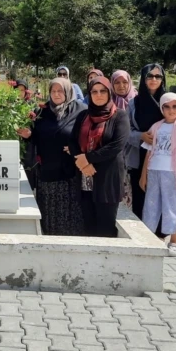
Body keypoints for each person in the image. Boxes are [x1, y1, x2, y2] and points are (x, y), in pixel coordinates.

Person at [127, 64, 176, 223]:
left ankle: (162, 234)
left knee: (166, 198)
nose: (153, 79)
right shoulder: (134, 103)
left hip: (166, 158)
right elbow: (125, 130)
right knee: (141, 193)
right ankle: (142, 233)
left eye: (158, 76)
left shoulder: (169, 99)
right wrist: (140, 136)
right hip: (141, 154)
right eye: (149, 76)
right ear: (143, 78)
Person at [17, 78, 86, 235]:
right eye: (53, 91)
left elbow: (87, 135)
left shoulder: (80, 110)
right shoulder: (43, 111)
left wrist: (78, 148)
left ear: (68, 91)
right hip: (47, 174)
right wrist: (29, 135)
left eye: (60, 91)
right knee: (48, 216)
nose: (56, 94)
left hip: (70, 174)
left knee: (70, 217)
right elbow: (37, 135)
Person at [69, 76, 129, 237]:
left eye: (103, 91)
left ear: (109, 93)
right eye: (94, 91)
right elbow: (72, 141)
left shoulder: (120, 116)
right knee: (88, 225)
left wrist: (87, 159)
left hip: (107, 179)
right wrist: (83, 164)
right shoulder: (83, 116)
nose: (99, 94)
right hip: (85, 177)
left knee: (105, 227)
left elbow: (116, 145)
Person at [139, 93, 176, 257]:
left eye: (175, 106)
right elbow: (149, 153)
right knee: (151, 205)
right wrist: (143, 176)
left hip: (172, 173)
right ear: (161, 108)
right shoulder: (156, 127)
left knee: (171, 206)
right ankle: (149, 238)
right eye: (167, 106)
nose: (171, 110)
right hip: (154, 171)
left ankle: (174, 240)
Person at [111, 70, 138, 208]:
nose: (121, 85)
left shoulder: (137, 102)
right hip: (114, 159)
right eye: (117, 82)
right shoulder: (107, 102)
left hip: (133, 158)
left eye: (124, 82)